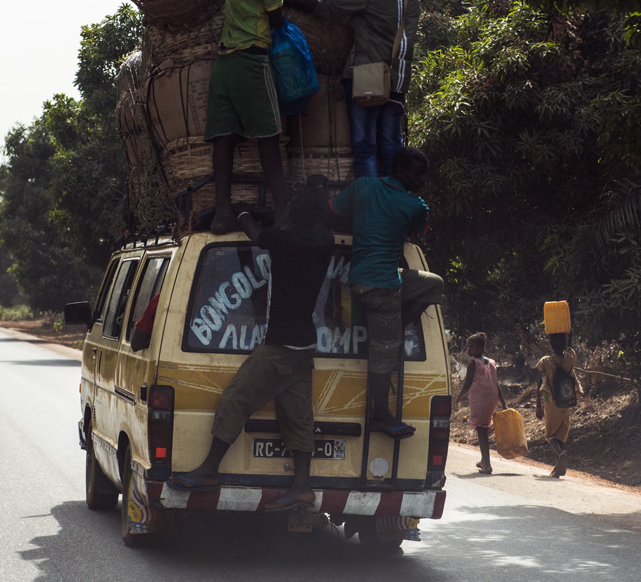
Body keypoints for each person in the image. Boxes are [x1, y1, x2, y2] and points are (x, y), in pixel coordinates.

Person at [167, 184, 334, 510]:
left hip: (280, 347)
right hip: (304, 346)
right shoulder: (324, 242)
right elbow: (297, 226)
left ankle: (209, 471)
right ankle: (301, 486)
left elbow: (256, 235)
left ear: (294, 217)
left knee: (234, 400)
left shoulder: (283, 240)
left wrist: (240, 210)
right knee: (298, 417)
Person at [326, 145, 443, 439]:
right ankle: (381, 415)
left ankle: (396, 327)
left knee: (434, 283)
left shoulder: (363, 186)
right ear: (401, 171)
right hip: (383, 285)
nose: (422, 181)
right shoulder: (414, 204)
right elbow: (419, 229)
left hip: (361, 279)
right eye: (418, 174)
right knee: (383, 356)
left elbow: (332, 210)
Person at [284, 0, 421, 178]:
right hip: (398, 84)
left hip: (367, 79)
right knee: (391, 148)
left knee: (365, 148)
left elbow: (329, 5)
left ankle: (370, 203)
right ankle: (390, 201)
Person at [205, 0, 292, 234]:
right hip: (252, 60)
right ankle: (283, 212)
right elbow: (276, 16)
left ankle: (222, 212)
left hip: (224, 61)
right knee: (268, 135)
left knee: (223, 138)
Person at [455, 332, 506, 474]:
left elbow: (467, 384)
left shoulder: (473, 364)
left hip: (480, 399)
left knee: (481, 430)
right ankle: (484, 461)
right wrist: (503, 403)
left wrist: (458, 398)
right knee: (483, 428)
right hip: (491, 398)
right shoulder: (492, 363)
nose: (468, 350)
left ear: (478, 348)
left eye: (470, 347)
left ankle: (487, 465)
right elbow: (497, 384)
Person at [536, 332, 584, 477]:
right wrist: (568, 333)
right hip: (567, 399)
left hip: (549, 400)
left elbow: (540, 383)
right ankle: (557, 468)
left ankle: (560, 453)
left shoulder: (545, 361)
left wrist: (538, 405)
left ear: (551, 345)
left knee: (551, 435)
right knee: (562, 434)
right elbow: (569, 348)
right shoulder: (570, 358)